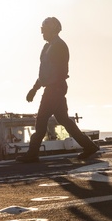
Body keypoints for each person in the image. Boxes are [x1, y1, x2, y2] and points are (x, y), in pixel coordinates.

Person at [17, 17, 100, 162]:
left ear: (53, 30)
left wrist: (45, 89)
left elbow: (56, 72)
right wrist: (35, 88)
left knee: (41, 120)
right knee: (64, 120)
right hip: (54, 87)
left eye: (45, 30)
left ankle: (32, 154)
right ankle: (89, 146)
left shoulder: (59, 46)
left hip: (55, 88)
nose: (42, 34)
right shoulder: (47, 47)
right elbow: (44, 73)